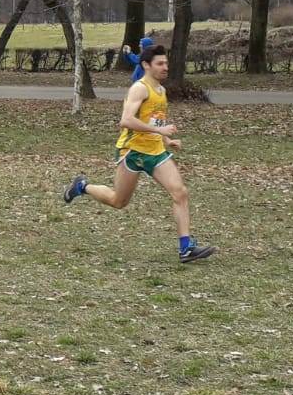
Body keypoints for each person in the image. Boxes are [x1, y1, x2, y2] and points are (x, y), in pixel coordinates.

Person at [63, 45, 216, 264]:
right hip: (133, 152)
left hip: (155, 151)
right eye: (160, 63)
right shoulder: (140, 88)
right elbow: (126, 120)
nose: (165, 67)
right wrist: (159, 131)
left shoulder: (161, 91)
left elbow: (153, 119)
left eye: (166, 63)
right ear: (146, 65)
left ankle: (185, 248)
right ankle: (82, 187)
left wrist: (166, 139)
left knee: (180, 193)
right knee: (118, 201)